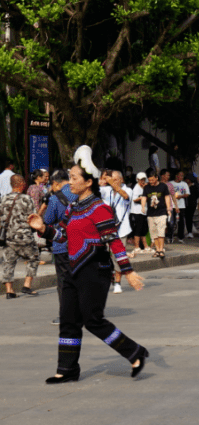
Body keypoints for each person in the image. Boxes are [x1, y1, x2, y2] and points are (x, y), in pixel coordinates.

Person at [28, 146, 149, 384]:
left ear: (88, 183)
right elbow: (62, 235)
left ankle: (134, 352)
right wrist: (43, 228)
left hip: (96, 271)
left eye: (73, 178)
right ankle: (67, 370)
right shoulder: (73, 208)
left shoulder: (100, 208)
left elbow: (114, 242)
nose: (68, 183)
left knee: (93, 321)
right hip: (73, 270)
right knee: (68, 320)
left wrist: (128, 271)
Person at [43, 171, 78, 323]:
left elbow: (48, 219)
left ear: (56, 183)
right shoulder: (81, 193)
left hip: (62, 245)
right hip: (82, 245)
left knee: (64, 282)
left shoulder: (55, 198)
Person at [1, 173, 40, 297]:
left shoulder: (3, 198)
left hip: (8, 237)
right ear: (22, 184)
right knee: (33, 257)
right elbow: (32, 217)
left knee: (8, 262)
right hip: (24, 236)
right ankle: (27, 285)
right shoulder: (26, 199)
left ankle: (9, 290)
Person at [99, 170, 132, 294]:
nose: (112, 181)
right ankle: (107, 278)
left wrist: (114, 185)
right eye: (111, 179)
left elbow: (125, 196)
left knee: (118, 257)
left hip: (121, 230)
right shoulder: (106, 190)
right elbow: (93, 192)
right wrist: (101, 181)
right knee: (104, 256)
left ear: (121, 180)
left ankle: (117, 283)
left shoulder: (128, 190)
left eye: (115, 179)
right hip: (105, 229)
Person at [142, 169, 173, 258]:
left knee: (161, 232)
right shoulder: (147, 187)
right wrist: (143, 206)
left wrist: (168, 209)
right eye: (149, 180)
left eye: (152, 179)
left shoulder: (163, 186)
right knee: (154, 233)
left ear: (156, 178)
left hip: (162, 212)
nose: (150, 181)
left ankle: (161, 250)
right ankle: (157, 250)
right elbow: (144, 197)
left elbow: (167, 197)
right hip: (151, 214)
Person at [129, 172, 150, 254]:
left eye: (144, 180)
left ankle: (145, 246)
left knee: (143, 229)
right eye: (141, 180)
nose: (143, 181)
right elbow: (134, 199)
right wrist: (142, 197)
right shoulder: (136, 188)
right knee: (138, 229)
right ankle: (136, 247)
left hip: (144, 211)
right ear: (137, 180)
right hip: (137, 211)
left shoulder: (144, 188)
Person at [172, 170, 190, 240]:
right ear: (177, 176)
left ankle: (181, 237)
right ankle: (170, 236)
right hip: (172, 205)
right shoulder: (171, 183)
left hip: (181, 206)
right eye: (181, 175)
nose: (182, 177)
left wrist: (181, 196)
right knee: (172, 222)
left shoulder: (184, 184)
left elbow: (187, 194)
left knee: (181, 222)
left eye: (183, 176)